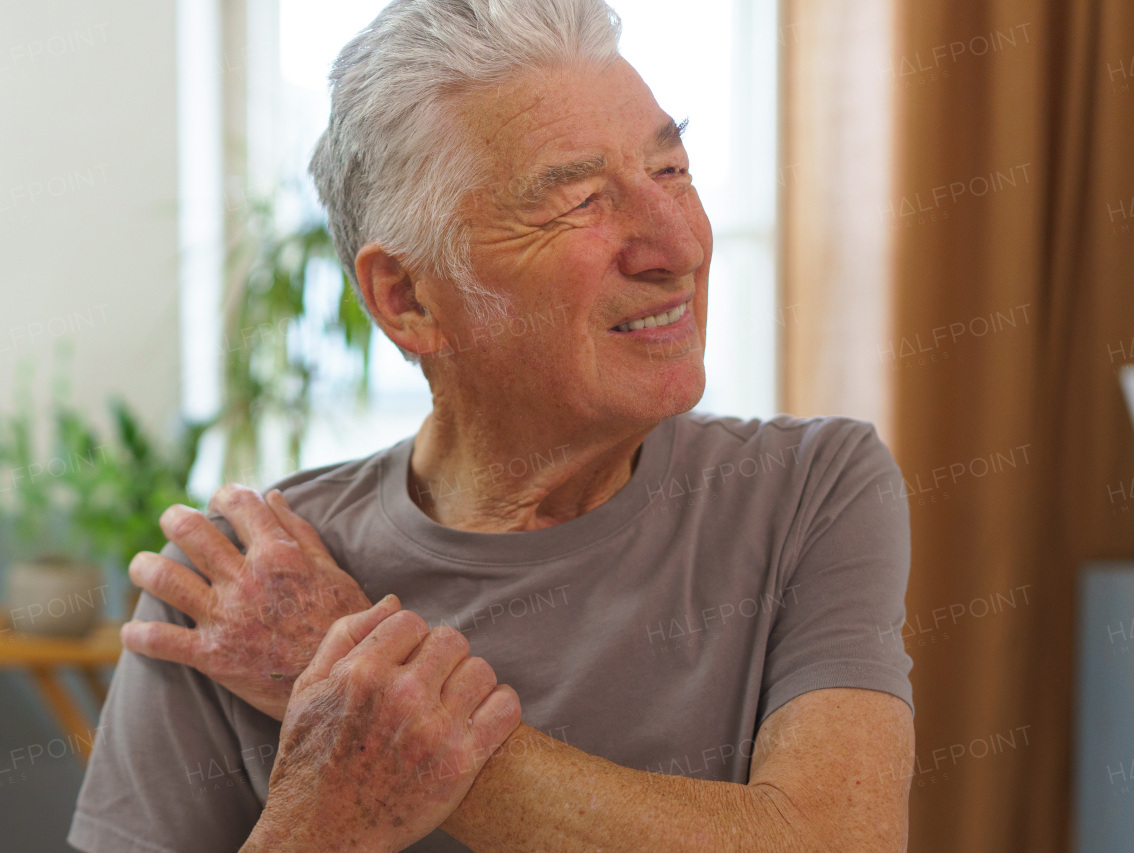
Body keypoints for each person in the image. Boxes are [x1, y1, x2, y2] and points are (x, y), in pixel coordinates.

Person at [70, 1, 916, 850]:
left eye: (671, 169)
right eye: (582, 201)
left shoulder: (812, 488)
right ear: (408, 299)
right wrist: (321, 803)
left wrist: (346, 673)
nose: (678, 245)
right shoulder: (234, 588)